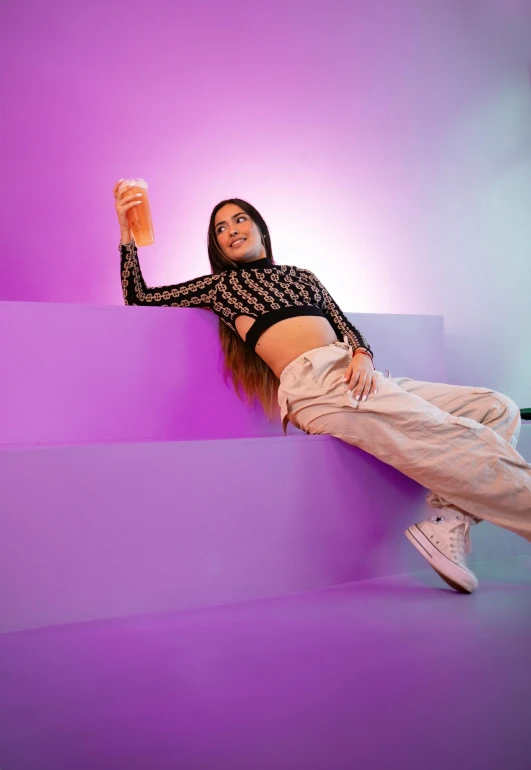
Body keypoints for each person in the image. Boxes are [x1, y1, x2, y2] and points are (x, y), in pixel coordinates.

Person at [114, 180, 531, 594]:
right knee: (446, 433)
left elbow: (346, 327)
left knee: (496, 407)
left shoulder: (302, 276)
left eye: (240, 219)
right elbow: (138, 296)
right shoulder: (221, 287)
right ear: (217, 246)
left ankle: (448, 523)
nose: (232, 229)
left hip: (358, 374)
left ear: (261, 229)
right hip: (315, 386)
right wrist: (126, 233)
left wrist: (362, 355)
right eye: (220, 228)